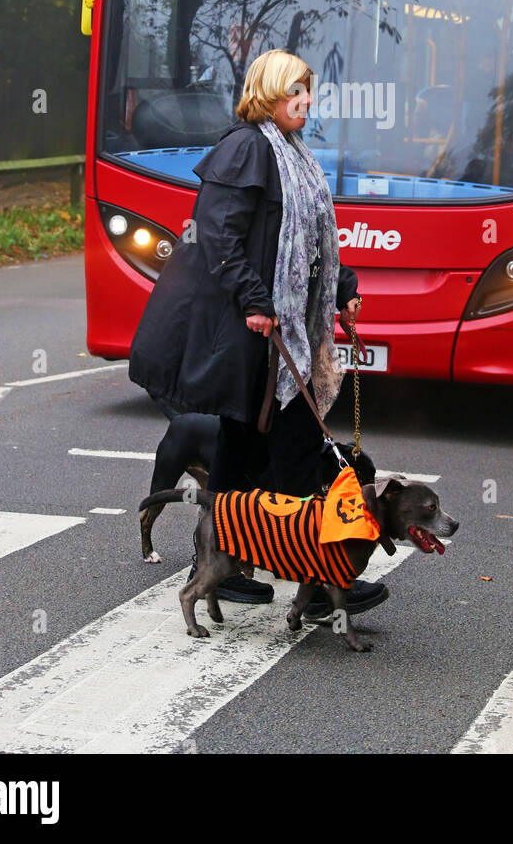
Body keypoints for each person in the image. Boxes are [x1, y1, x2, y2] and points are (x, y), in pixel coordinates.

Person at [129, 48, 387, 616]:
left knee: (241, 451)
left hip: (284, 330)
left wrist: (344, 288)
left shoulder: (292, 151)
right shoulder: (247, 147)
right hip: (257, 335)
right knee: (293, 453)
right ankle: (314, 583)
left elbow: (314, 238)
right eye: (297, 90)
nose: (307, 101)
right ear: (270, 91)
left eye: (309, 90)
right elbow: (219, 234)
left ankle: (218, 568)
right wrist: (253, 298)